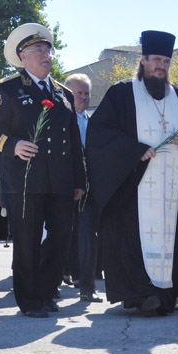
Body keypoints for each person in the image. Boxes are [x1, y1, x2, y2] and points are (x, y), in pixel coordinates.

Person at [85, 30, 178, 315]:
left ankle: (164, 295)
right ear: (143, 60)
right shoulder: (121, 93)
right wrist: (133, 150)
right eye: (156, 60)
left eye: (166, 61)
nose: (161, 66)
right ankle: (139, 294)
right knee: (134, 238)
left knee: (170, 238)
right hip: (133, 185)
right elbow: (99, 134)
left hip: (173, 190)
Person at [0, 23, 86, 318]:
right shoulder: (7, 88)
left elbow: (74, 142)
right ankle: (29, 300)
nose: (46, 55)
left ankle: (45, 292)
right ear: (22, 56)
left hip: (61, 182)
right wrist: (12, 144)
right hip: (25, 181)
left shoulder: (63, 93)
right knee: (28, 241)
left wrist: (79, 180)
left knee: (61, 238)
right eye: (38, 50)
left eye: (48, 50)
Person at [60, 73, 104, 303]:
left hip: (88, 190)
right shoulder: (57, 120)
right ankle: (51, 282)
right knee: (58, 236)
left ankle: (87, 287)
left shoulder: (95, 123)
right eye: (79, 93)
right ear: (68, 95)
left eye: (87, 93)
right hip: (61, 187)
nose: (84, 97)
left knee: (88, 235)